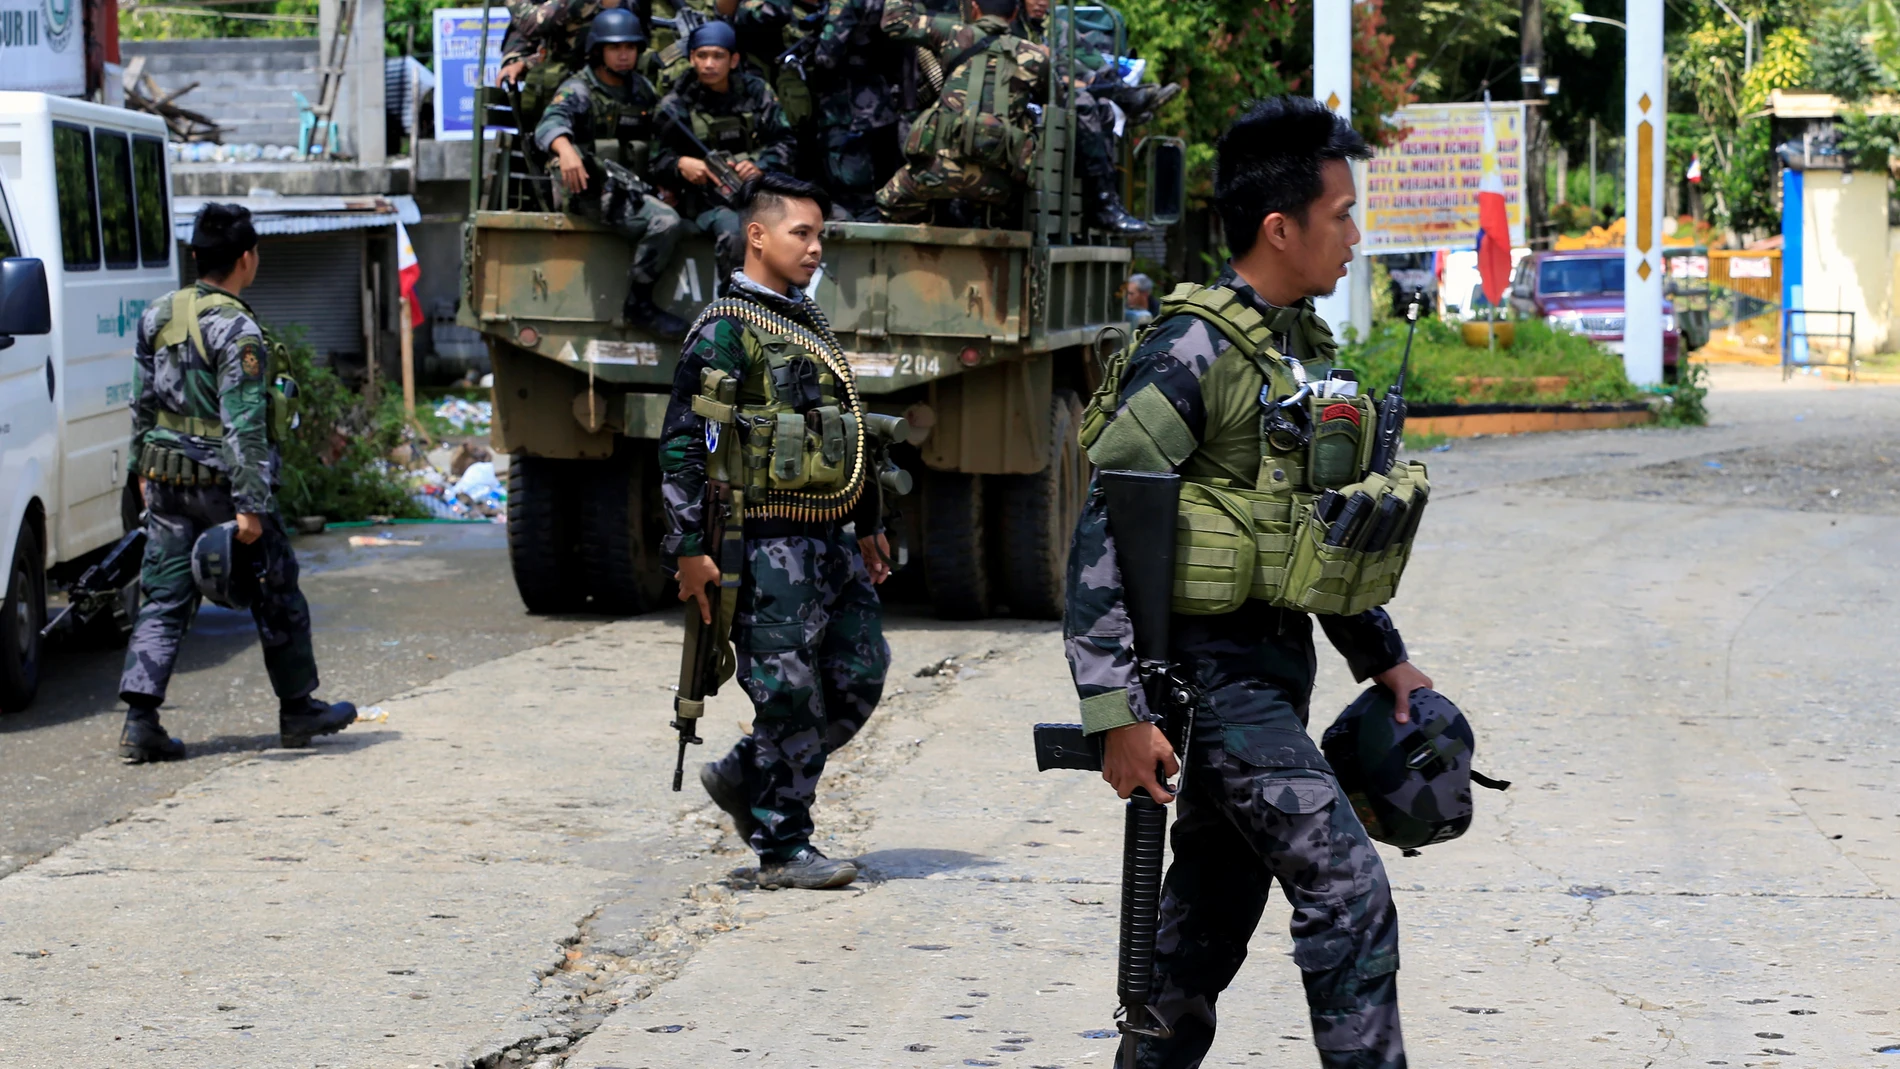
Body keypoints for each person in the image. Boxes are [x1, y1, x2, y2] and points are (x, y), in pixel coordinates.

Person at [1064, 97, 1426, 1068]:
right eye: (1341, 213)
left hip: (1272, 675)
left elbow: (1318, 529)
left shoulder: (1304, 355)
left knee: (1199, 935)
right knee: (1348, 892)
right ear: (1280, 227)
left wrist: (1383, 660)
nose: (1355, 236)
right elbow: (1105, 528)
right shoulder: (1192, 350)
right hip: (1213, 688)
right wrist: (1114, 712)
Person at [658, 173, 891, 890]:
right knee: (788, 692)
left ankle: (744, 773)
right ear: (757, 235)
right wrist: (689, 548)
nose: (816, 248)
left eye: (821, 236)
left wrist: (868, 522)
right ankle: (784, 844)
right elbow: (686, 443)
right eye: (802, 233)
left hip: (827, 536)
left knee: (859, 674)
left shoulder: (803, 320)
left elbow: (842, 431)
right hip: (763, 545)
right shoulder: (725, 330)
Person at [119, 204, 357, 764]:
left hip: (165, 479)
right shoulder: (238, 329)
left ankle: (139, 721)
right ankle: (299, 710)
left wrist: (137, 477)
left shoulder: (156, 315)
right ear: (246, 258)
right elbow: (245, 423)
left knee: (164, 595)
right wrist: (251, 507)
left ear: (197, 256)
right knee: (277, 590)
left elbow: (141, 406)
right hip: (224, 486)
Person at [534, 8, 690, 338]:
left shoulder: (642, 90)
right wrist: (565, 150)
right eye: (615, 48)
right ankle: (638, 306)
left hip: (633, 187)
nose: (624, 55)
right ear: (599, 50)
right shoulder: (580, 89)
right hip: (590, 190)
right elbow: (549, 124)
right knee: (665, 222)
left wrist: (666, 181)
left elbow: (659, 139)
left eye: (631, 48)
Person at [653, 19, 799, 288]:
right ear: (691, 59)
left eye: (718, 56)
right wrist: (681, 165)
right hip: (706, 202)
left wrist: (759, 165)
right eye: (702, 55)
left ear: (733, 60)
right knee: (736, 233)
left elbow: (786, 142)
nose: (709, 64)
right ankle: (731, 314)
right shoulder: (675, 105)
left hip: (758, 194)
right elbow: (656, 160)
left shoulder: (756, 92)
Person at [875, 0, 1046, 224]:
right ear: (1014, 14)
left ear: (974, 8)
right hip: (1000, 186)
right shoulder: (1035, 56)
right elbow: (1054, 103)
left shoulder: (954, 34)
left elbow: (895, 22)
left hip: (936, 173)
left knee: (888, 203)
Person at [803, 0, 904, 220]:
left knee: (852, 197)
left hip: (848, 111)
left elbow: (826, 56)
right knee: (879, 189)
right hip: (882, 107)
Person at [498, 0, 626, 123]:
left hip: (591, 85)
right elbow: (561, 46)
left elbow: (533, 21)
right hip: (580, 78)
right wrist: (525, 63)